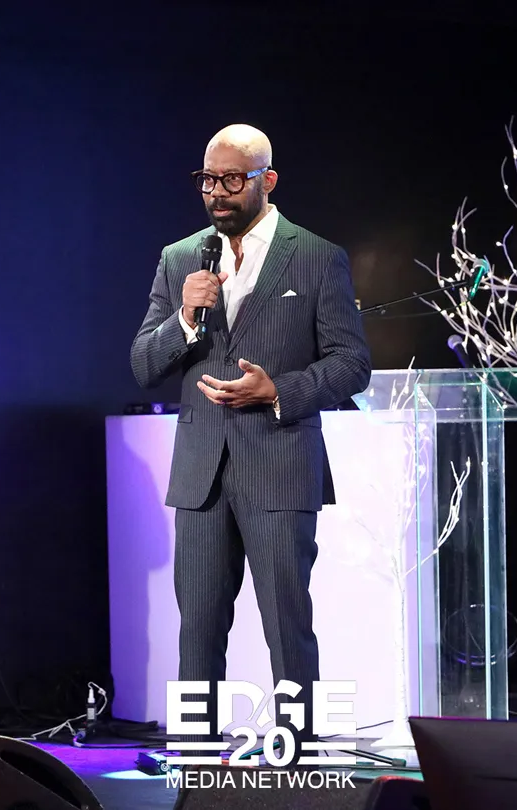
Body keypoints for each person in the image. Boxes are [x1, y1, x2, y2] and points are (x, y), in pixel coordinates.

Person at [130, 123, 371, 762]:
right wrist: (185, 318)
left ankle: (299, 754)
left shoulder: (316, 256)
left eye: (232, 179)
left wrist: (277, 390)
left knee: (287, 624)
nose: (217, 192)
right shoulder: (181, 259)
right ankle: (194, 756)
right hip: (202, 473)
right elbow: (142, 364)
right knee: (199, 627)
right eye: (207, 180)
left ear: (268, 179)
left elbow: (352, 364)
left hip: (279, 463)